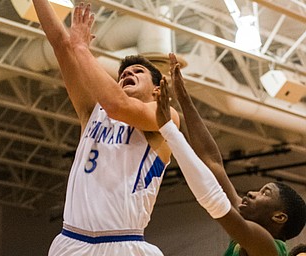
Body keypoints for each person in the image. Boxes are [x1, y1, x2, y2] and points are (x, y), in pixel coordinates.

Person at [32, 1, 179, 255]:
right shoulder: (93, 112)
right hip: (72, 240)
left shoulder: (164, 115)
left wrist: (81, 48)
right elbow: (59, 43)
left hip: (124, 243)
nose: (127, 74)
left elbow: (117, 105)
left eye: (138, 71)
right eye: (123, 73)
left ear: (157, 90)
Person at [155, 52, 306, 256]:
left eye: (265, 193)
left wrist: (169, 130)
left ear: (279, 217)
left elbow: (214, 201)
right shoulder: (244, 229)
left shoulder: (268, 247)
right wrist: (183, 97)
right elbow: (212, 161)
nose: (251, 193)